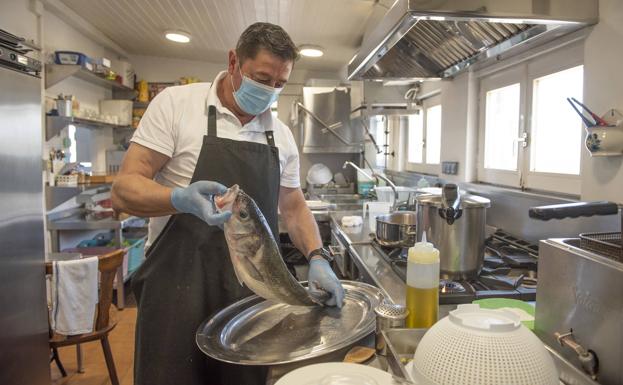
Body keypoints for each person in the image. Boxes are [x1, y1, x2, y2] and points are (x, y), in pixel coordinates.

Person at [111, 22, 345, 385]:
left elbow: (294, 206)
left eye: (280, 84)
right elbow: (124, 189)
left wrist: (318, 257)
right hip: (176, 286)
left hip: (250, 292)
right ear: (234, 61)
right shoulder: (176, 105)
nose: (270, 91)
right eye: (262, 78)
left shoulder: (279, 135)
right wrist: (178, 199)